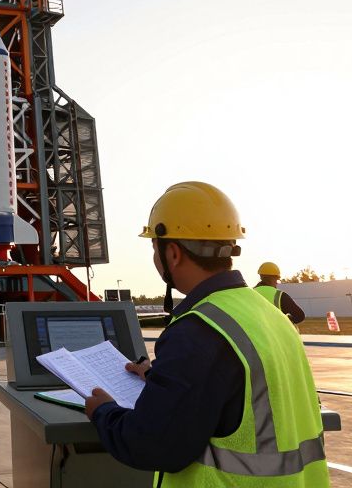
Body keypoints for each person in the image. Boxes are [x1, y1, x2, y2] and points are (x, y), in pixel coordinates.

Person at [84, 181, 329, 485]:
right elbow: (235, 390)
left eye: (154, 247)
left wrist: (103, 412)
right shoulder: (269, 315)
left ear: (172, 253)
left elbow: (151, 444)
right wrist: (163, 379)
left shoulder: (198, 330)